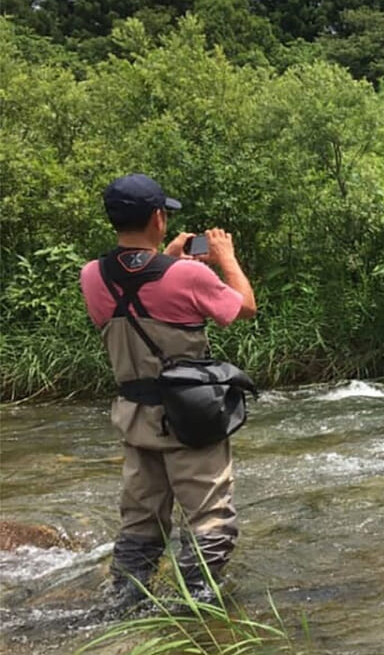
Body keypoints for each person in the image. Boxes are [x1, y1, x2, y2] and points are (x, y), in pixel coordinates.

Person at [79, 174, 256, 607]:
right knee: (209, 516)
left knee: (140, 519)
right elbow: (244, 308)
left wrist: (167, 258)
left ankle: (126, 604)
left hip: (135, 419)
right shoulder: (190, 275)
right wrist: (226, 258)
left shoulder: (91, 276)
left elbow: (138, 287)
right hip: (190, 417)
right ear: (159, 217)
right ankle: (198, 606)